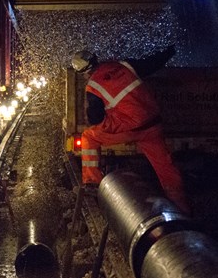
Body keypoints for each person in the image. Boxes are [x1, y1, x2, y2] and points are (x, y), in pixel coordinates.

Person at [71, 46, 191, 215]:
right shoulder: (124, 66)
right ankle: (182, 210)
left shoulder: (93, 87)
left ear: (82, 72)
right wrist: (169, 51)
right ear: (95, 59)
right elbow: (152, 63)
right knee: (166, 169)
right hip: (152, 124)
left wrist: (98, 113)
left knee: (89, 137)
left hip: (130, 127)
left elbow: (95, 118)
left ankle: (92, 182)